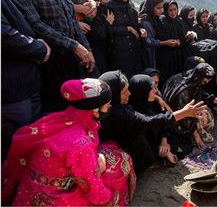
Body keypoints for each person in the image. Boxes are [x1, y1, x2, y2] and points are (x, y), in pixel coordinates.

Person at [2, 78, 136, 206]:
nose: (109, 107)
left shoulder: (54, 119)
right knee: (120, 163)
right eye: (107, 105)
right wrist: (109, 197)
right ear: (95, 110)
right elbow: (91, 186)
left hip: (29, 192)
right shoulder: (82, 143)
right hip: (57, 199)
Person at [4, 0, 95, 112]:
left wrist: (86, 48)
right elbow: (34, 23)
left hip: (73, 59)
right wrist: (74, 46)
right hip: (48, 63)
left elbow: (71, 20)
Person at [98, 71, 206, 174]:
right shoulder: (118, 113)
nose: (129, 93)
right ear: (113, 94)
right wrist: (184, 113)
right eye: (125, 91)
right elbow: (150, 122)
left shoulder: (117, 105)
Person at [1, 0, 51, 161]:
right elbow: (4, 33)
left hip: (26, 84)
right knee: (13, 154)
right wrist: (38, 48)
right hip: (11, 90)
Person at [162, 63, 217, 158]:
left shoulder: (189, 76)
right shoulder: (184, 92)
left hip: (182, 109)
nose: (207, 82)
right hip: (174, 119)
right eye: (205, 79)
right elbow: (183, 117)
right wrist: (196, 135)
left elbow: (196, 90)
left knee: (205, 113)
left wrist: (213, 99)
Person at [106, 0, 148, 79]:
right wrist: (128, 29)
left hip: (133, 52)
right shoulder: (109, 7)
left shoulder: (131, 9)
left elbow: (136, 28)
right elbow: (108, 30)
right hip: (118, 52)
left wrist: (141, 31)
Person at [140, 0, 177, 68]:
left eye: (162, 7)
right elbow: (149, 41)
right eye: (158, 8)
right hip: (147, 54)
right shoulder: (145, 21)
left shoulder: (155, 19)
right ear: (151, 8)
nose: (162, 10)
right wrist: (166, 43)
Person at [158, 0, 186, 83]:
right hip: (166, 58)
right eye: (170, 10)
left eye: (175, 9)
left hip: (178, 56)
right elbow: (159, 39)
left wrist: (180, 42)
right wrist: (168, 43)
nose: (173, 12)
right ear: (166, 10)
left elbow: (182, 39)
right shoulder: (162, 22)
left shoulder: (179, 22)